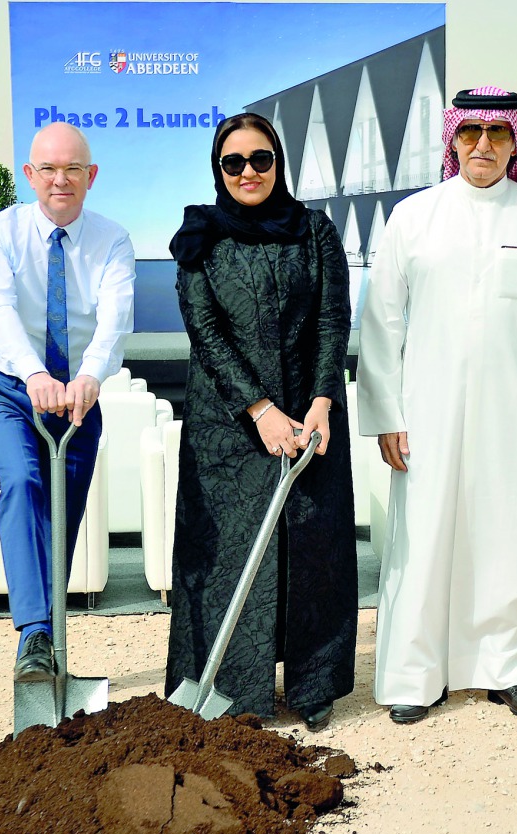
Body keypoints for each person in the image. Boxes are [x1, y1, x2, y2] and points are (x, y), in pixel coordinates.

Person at [357, 86, 517, 724]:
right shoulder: (414, 216)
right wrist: (386, 415)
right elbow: (382, 324)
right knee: (426, 538)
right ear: (452, 140)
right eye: (471, 133)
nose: (484, 145)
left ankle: (509, 669)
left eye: (498, 133)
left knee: (509, 537)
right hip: (427, 412)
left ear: (515, 140)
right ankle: (418, 676)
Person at [165, 112, 357, 731]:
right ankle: (232, 691)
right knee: (229, 555)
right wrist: (259, 409)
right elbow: (206, 332)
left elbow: (333, 321)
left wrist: (321, 404)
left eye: (261, 159)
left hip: (310, 413)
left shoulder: (314, 231)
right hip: (228, 426)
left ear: (279, 162)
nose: (249, 172)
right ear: (218, 170)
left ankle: (313, 685)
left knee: (312, 549)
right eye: (233, 162)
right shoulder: (200, 236)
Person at [0, 121, 135, 682]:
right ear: (30, 175)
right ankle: (35, 637)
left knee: (61, 519)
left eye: (72, 170)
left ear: (91, 176)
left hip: (78, 397)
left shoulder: (112, 239)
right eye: (48, 169)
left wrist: (89, 375)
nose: (59, 180)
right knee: (22, 483)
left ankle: (46, 639)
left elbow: (115, 318)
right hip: (8, 388)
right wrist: (36, 373)